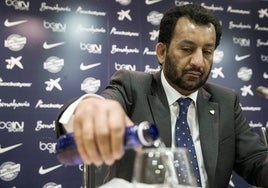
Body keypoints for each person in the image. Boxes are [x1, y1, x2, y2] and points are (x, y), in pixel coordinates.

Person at [56, 3, 268, 188]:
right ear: (161, 52)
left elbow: (256, 160)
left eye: (207, 51)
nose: (198, 61)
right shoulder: (133, 86)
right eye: (187, 49)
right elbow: (100, 105)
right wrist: (90, 105)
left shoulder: (225, 100)